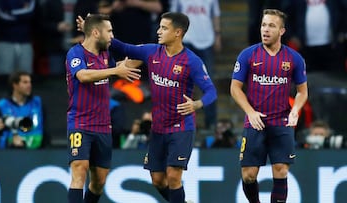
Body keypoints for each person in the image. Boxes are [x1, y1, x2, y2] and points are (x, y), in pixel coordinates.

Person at [107, 11, 217, 203]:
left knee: (174, 177)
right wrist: (98, 32)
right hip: (158, 128)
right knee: (158, 180)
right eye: (159, 26)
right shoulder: (151, 51)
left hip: (181, 127)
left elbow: (211, 92)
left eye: (164, 28)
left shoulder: (192, 61)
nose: (158, 31)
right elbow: (123, 47)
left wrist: (197, 104)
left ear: (178, 33)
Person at [230, 9, 308, 203]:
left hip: (281, 121)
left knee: (281, 170)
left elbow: (302, 92)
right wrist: (250, 112)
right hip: (255, 121)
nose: (265, 29)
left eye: (271, 26)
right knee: (248, 174)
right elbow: (235, 88)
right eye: (264, 25)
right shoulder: (248, 55)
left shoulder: (294, 59)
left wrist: (295, 110)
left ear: (282, 31)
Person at [65, 14, 140, 203]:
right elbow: (83, 76)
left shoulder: (106, 55)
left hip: (103, 126)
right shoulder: (76, 53)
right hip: (80, 123)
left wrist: (149, 52)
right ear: (96, 32)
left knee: (99, 182)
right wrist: (116, 70)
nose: (112, 36)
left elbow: (124, 66)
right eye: (109, 31)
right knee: (79, 169)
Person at [169, 0, 222, 130]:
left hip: (207, 40)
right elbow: (172, 17)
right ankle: (178, 120)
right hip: (186, 40)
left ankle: (211, 123)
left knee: (208, 83)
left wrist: (217, 35)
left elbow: (215, 15)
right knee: (180, 82)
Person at [0, 71, 44, 149]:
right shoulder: (2, 105)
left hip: (37, 153)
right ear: (15, 85)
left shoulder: (37, 103)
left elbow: (45, 130)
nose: (29, 85)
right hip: (10, 153)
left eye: (30, 82)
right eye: (25, 82)